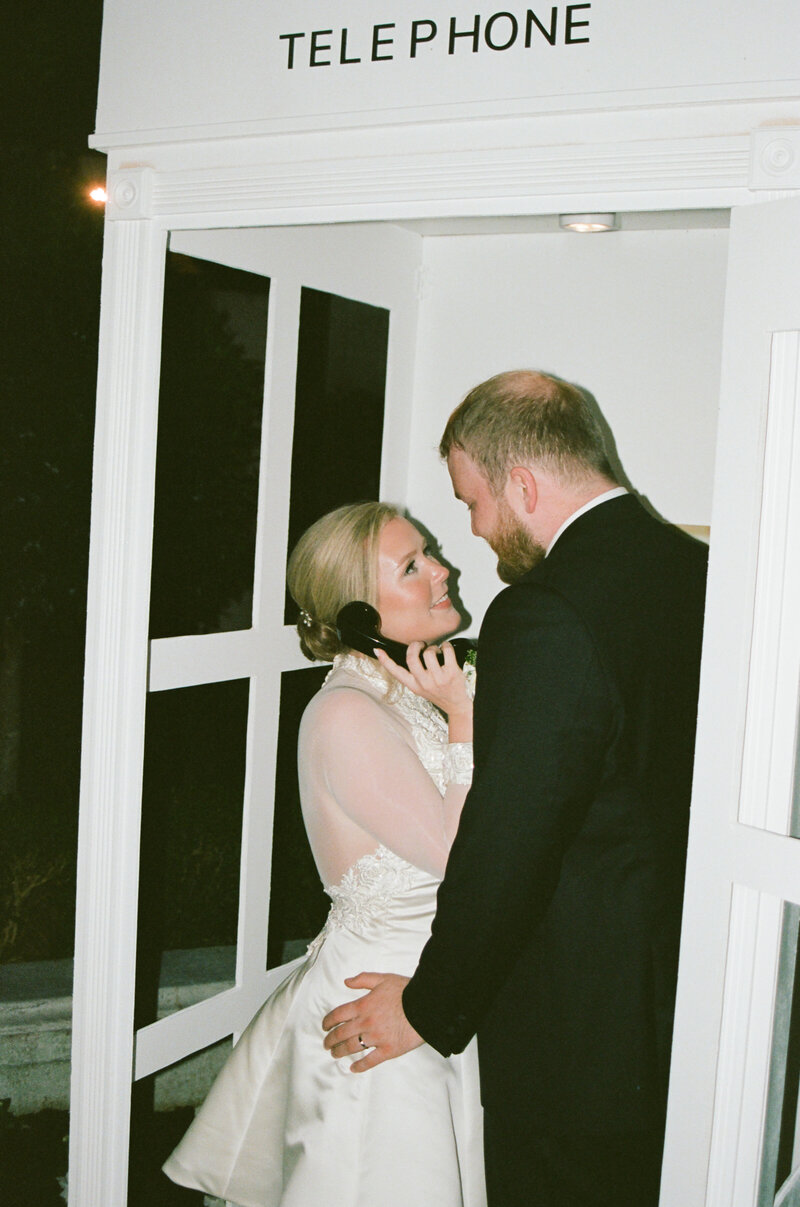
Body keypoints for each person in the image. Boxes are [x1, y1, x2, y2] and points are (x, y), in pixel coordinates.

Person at [322, 370, 709, 1207]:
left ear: (523, 485)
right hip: (691, 990)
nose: (474, 529)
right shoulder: (700, 571)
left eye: (472, 502)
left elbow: (510, 841)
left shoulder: (544, 612)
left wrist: (427, 1007)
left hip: (577, 1037)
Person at [162, 500, 486, 1207]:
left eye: (428, 553)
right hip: (377, 1008)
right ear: (358, 612)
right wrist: (464, 715)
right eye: (413, 565)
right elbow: (458, 854)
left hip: (422, 985)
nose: (442, 571)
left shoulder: (401, 692)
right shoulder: (345, 713)